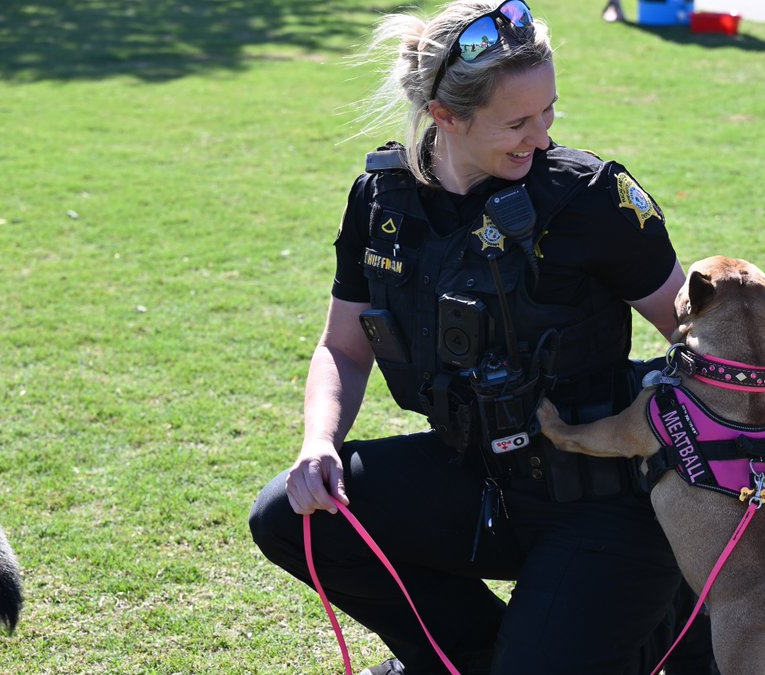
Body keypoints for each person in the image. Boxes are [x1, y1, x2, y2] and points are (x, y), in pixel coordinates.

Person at [247, 1, 704, 673]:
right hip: (479, 480)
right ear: (445, 116)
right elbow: (343, 348)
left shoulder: (587, 197)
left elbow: (696, 341)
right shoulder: (382, 203)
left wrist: (726, 481)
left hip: (612, 503)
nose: (542, 137)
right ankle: (466, 657)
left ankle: (645, 625)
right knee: (289, 514)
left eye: (550, 111)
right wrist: (319, 443)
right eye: (518, 122)